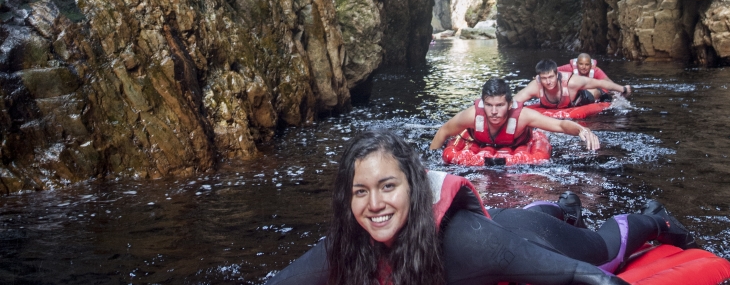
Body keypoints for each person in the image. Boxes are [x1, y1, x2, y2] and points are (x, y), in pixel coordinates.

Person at [265, 129, 697, 285]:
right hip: (507, 225)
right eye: (360, 192)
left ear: (414, 188)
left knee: (603, 249)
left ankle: (654, 217)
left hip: (518, 240)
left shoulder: (464, 244)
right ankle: (563, 204)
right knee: (534, 215)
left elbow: (575, 275)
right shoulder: (344, 244)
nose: (374, 204)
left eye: (387, 186)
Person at [429, 77, 601, 151]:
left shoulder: (523, 116)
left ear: (510, 104)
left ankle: (599, 92)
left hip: (517, 145)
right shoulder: (472, 116)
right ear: (482, 103)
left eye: (500, 105)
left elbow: (559, 125)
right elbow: (443, 131)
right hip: (481, 143)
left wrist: (582, 130)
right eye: (489, 105)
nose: (494, 112)